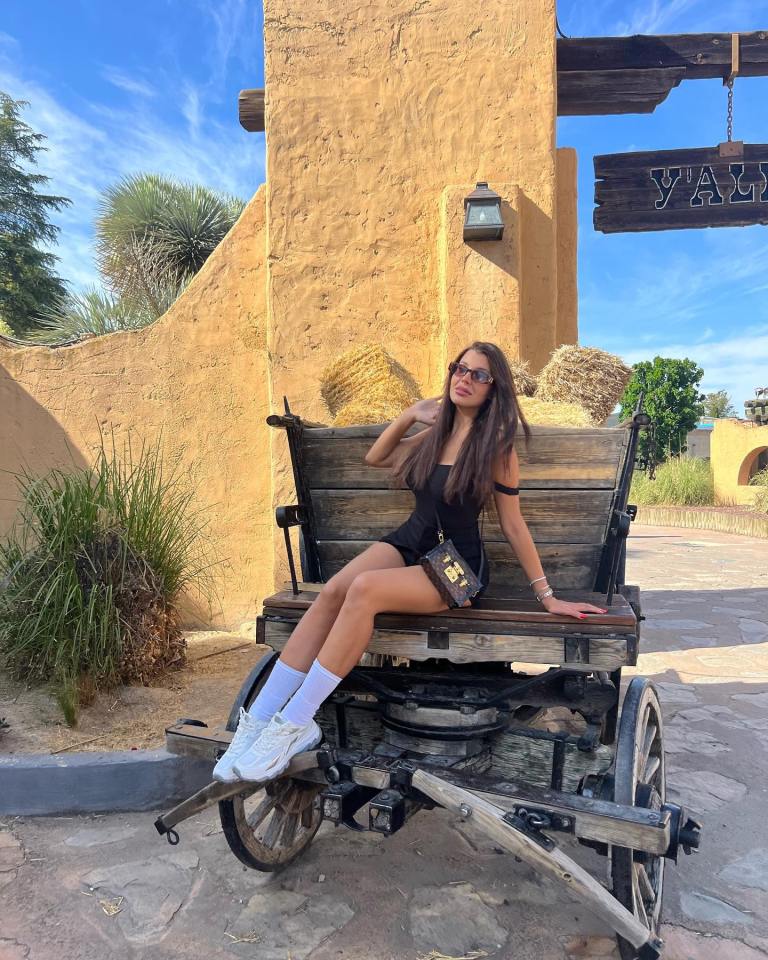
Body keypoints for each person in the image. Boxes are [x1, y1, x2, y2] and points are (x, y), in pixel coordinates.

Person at [213, 340, 608, 784]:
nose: (466, 379)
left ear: (494, 389)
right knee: (336, 589)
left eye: (479, 374)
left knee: (363, 591)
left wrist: (548, 596)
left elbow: (513, 525)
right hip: (411, 540)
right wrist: (410, 414)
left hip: (456, 566)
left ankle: (297, 722)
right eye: (461, 369)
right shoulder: (434, 433)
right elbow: (376, 457)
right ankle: (261, 719)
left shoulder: (497, 448)